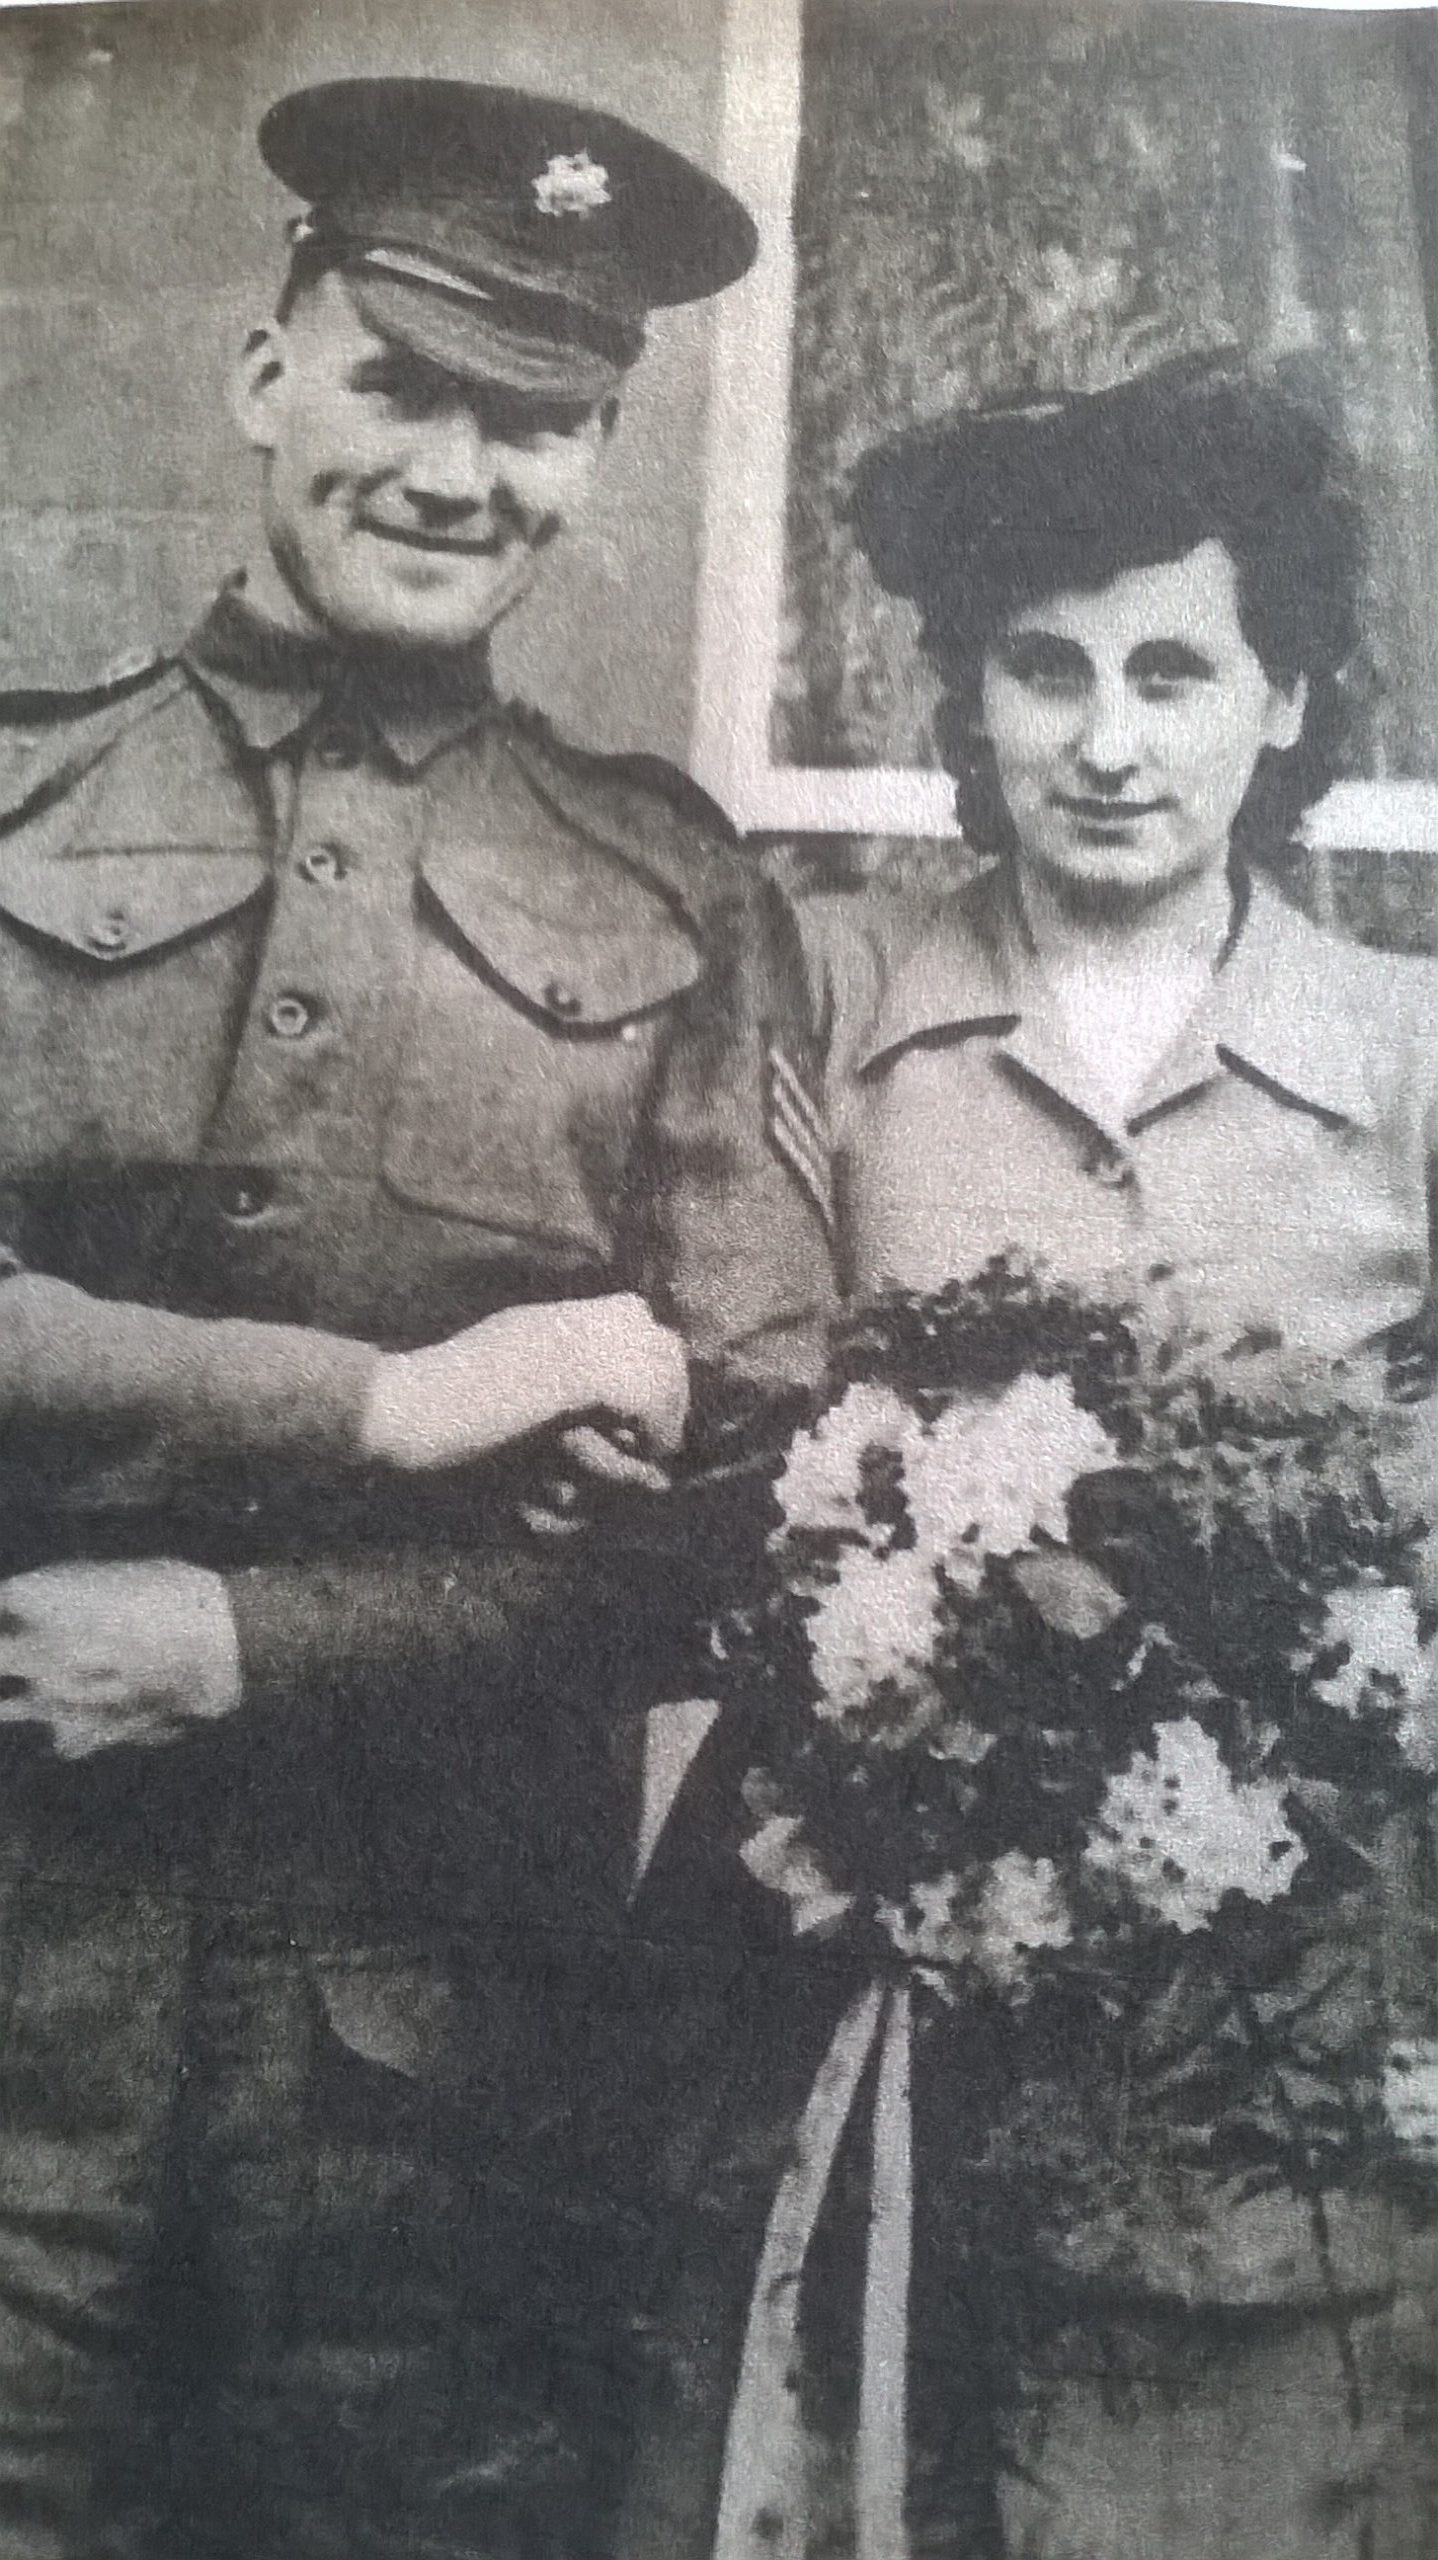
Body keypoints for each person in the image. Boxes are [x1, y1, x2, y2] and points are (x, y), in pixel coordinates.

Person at [0, 76, 834, 2560]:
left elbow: (770, 1505)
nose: (464, 473)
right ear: (272, 373)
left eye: (541, 417)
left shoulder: (675, 894)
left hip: (439, 2076)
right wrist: (378, 1403)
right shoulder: (20, 807)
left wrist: (250, 1639)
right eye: (404, 383)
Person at [622, 355, 1438, 2558]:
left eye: (1172, 671)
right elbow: (730, 1414)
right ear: (965, 696)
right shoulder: (820, 995)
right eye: (1040, 669)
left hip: (1268, 1986)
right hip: (859, 1947)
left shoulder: (1404, 1053)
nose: (1102, 739)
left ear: (1283, 702)